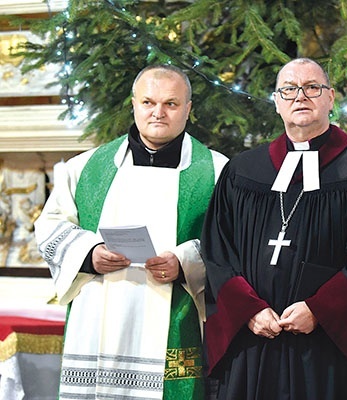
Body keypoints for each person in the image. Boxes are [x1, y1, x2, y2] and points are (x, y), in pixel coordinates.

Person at [200, 57, 347, 399]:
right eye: (289, 89)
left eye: (312, 88)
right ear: (277, 101)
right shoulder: (242, 170)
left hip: (327, 349)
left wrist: (321, 310)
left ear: (331, 98)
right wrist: (248, 309)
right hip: (255, 340)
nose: (300, 97)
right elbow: (218, 250)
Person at [34, 64, 228, 399]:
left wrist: (184, 262)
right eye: (148, 102)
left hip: (174, 313)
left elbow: (232, 241)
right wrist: (89, 253)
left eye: (171, 103)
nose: (158, 113)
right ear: (134, 104)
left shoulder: (217, 171)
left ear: (188, 109)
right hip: (99, 311)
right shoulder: (85, 167)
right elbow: (49, 225)